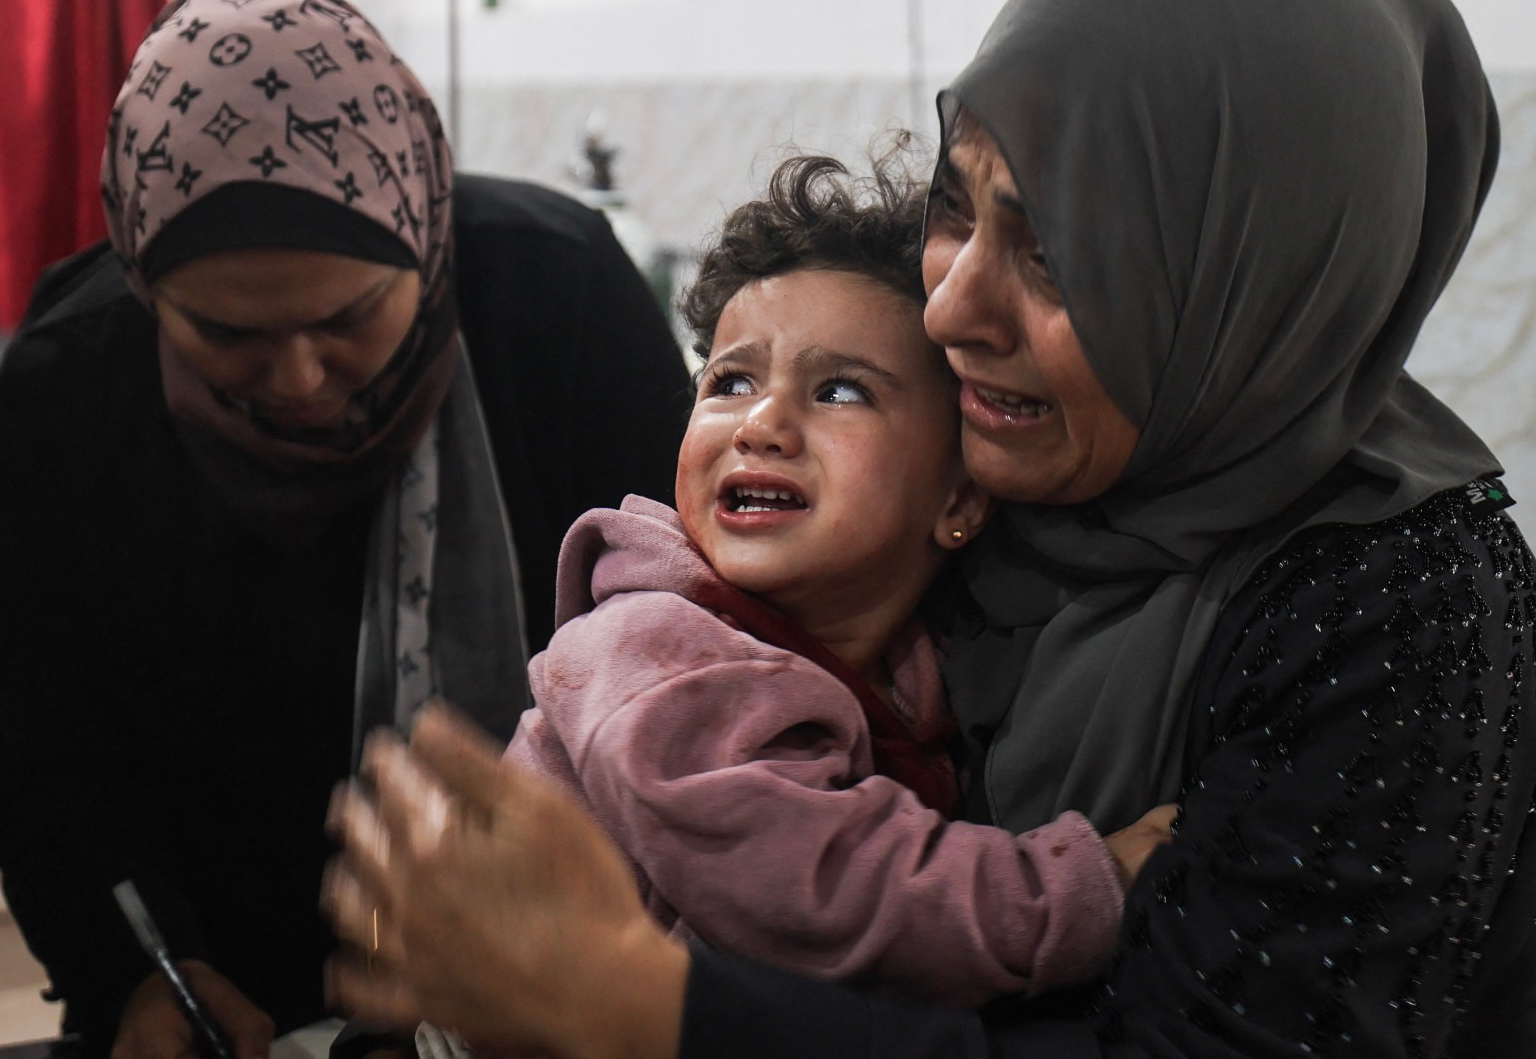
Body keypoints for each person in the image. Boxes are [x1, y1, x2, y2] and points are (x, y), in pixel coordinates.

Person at [323, 0, 1536, 1059]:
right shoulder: (1008, 483)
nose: (950, 307)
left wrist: (648, 1009)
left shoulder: (1403, 614)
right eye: (955, 210)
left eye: (1056, 255)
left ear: (1244, 279)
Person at [0, 0, 693, 1058]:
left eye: (348, 318)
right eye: (228, 336)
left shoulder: (556, 298)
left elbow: (688, 644)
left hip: (561, 981)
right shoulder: (77, 381)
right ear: (147, 287)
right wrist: (136, 976)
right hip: (224, 998)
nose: (301, 378)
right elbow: (43, 743)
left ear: (424, 237)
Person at [495, 154, 1176, 1013]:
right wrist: (1086, 885)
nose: (762, 424)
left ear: (960, 500)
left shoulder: (932, 665)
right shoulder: (655, 652)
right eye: (730, 381)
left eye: (841, 391)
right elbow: (820, 895)